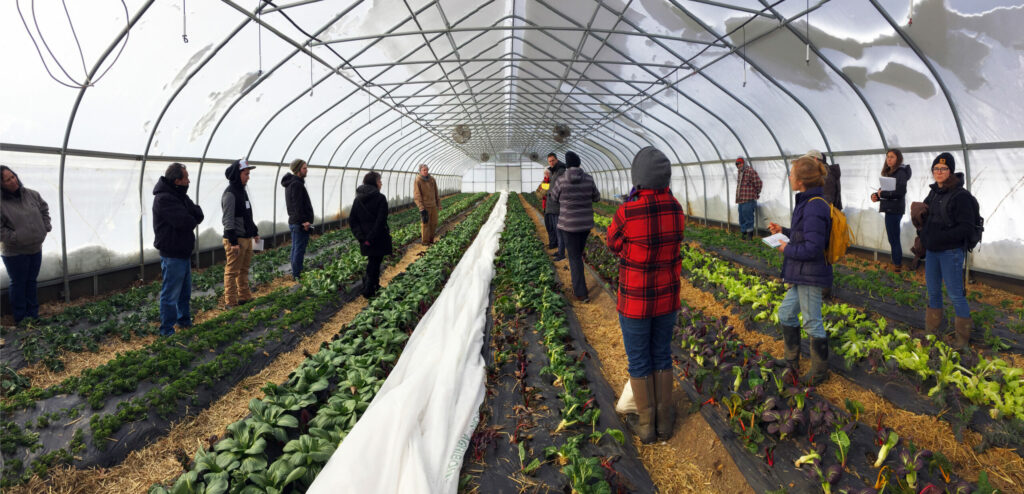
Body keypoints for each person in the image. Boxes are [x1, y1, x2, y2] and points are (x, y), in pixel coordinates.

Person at [606, 147, 686, 443]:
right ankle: (665, 421)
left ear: (637, 178)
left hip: (635, 300)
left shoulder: (627, 210)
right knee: (662, 355)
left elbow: (612, 242)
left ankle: (645, 423)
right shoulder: (676, 208)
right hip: (666, 297)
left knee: (639, 359)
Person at [768, 156, 832, 386]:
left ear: (802, 180)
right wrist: (783, 230)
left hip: (810, 273)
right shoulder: (808, 201)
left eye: (792, 174)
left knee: (812, 322)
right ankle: (790, 360)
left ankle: (820, 371)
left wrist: (787, 248)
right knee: (786, 313)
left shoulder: (814, 205)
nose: (790, 177)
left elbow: (813, 247)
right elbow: (804, 234)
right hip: (802, 271)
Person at [920, 152, 973, 349]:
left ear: (951, 171)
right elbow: (927, 218)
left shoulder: (961, 196)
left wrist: (939, 237)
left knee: (955, 294)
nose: (939, 172)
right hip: (933, 252)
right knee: (933, 291)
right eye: (936, 169)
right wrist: (924, 234)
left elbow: (966, 227)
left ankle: (962, 339)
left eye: (943, 169)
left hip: (950, 252)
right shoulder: (934, 193)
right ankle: (932, 332)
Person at [152, 163, 204, 336]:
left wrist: (190, 215)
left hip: (183, 252)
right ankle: (166, 330)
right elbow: (186, 222)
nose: (189, 181)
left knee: (184, 293)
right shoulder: (164, 198)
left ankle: (184, 321)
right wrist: (190, 216)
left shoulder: (179, 195)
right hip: (172, 253)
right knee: (170, 294)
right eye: (186, 178)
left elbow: (199, 214)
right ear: (177, 180)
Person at [1, 165, 51, 324]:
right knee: (19, 283)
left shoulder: (31, 194)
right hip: (15, 252)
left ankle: (33, 315)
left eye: (13, 176)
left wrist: (46, 227)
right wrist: (15, 238)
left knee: (31, 281)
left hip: (35, 248)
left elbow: (44, 209)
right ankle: (21, 318)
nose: (13, 181)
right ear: (1, 185)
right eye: (7, 180)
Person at [549, 151, 600, 302]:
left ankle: (581, 293)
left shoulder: (561, 180)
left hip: (568, 225)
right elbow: (596, 197)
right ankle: (580, 288)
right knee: (578, 254)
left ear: (567, 165)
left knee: (574, 257)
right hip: (585, 226)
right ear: (579, 164)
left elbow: (554, 197)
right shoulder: (589, 179)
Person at [221, 159, 259, 307]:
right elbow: (228, 220)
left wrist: (254, 232)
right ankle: (230, 302)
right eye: (246, 174)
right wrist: (233, 242)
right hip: (236, 239)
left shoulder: (242, 191)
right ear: (238, 174)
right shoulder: (230, 194)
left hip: (246, 237)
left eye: (249, 174)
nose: (248, 177)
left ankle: (244, 296)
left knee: (243, 269)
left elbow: (247, 215)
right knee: (231, 271)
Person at [349, 172, 392, 299]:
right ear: (374, 183)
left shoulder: (358, 199)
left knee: (373, 261)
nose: (381, 183)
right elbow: (381, 221)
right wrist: (371, 238)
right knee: (374, 263)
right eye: (380, 181)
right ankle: (368, 289)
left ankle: (374, 285)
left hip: (365, 239)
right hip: (377, 238)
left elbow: (352, 220)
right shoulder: (380, 198)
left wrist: (361, 237)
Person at [871, 149, 911, 273]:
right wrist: (877, 195)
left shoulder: (901, 172)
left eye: (892, 157)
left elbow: (899, 192)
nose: (889, 159)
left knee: (894, 237)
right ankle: (895, 261)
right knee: (892, 237)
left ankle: (897, 265)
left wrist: (883, 194)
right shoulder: (890, 172)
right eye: (888, 156)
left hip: (895, 209)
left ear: (898, 159)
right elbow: (885, 190)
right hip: (890, 208)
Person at [282, 159, 314, 280]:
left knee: (296, 247)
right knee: (298, 249)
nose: (306, 170)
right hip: (299, 223)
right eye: (304, 168)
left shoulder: (293, 183)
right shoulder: (296, 184)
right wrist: (304, 222)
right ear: (298, 170)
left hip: (296, 221)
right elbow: (297, 206)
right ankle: (297, 275)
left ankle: (297, 271)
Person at [545, 153, 568, 258]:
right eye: (549, 161)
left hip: (557, 206)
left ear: (557, 160)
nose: (551, 163)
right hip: (552, 206)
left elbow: (560, 189)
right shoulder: (554, 172)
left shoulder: (561, 171)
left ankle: (561, 253)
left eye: (553, 160)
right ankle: (559, 250)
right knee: (555, 229)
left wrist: (552, 195)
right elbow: (550, 187)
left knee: (559, 231)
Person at [734, 157, 762, 240]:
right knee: (741, 217)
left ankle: (750, 235)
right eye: (737, 164)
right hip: (741, 199)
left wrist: (755, 193)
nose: (739, 165)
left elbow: (759, 183)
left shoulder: (750, 171)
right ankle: (743, 233)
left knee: (748, 217)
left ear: (744, 163)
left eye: (740, 163)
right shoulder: (739, 172)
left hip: (749, 199)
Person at [413, 164, 440, 245]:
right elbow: (417, 195)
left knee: (434, 223)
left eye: (426, 170)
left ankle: (431, 239)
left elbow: (436, 192)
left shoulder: (432, 179)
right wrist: (421, 207)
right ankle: (425, 242)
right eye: (424, 170)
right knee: (425, 224)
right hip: (425, 207)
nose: (425, 171)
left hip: (433, 205)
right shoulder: (418, 180)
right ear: (420, 171)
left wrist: (439, 204)